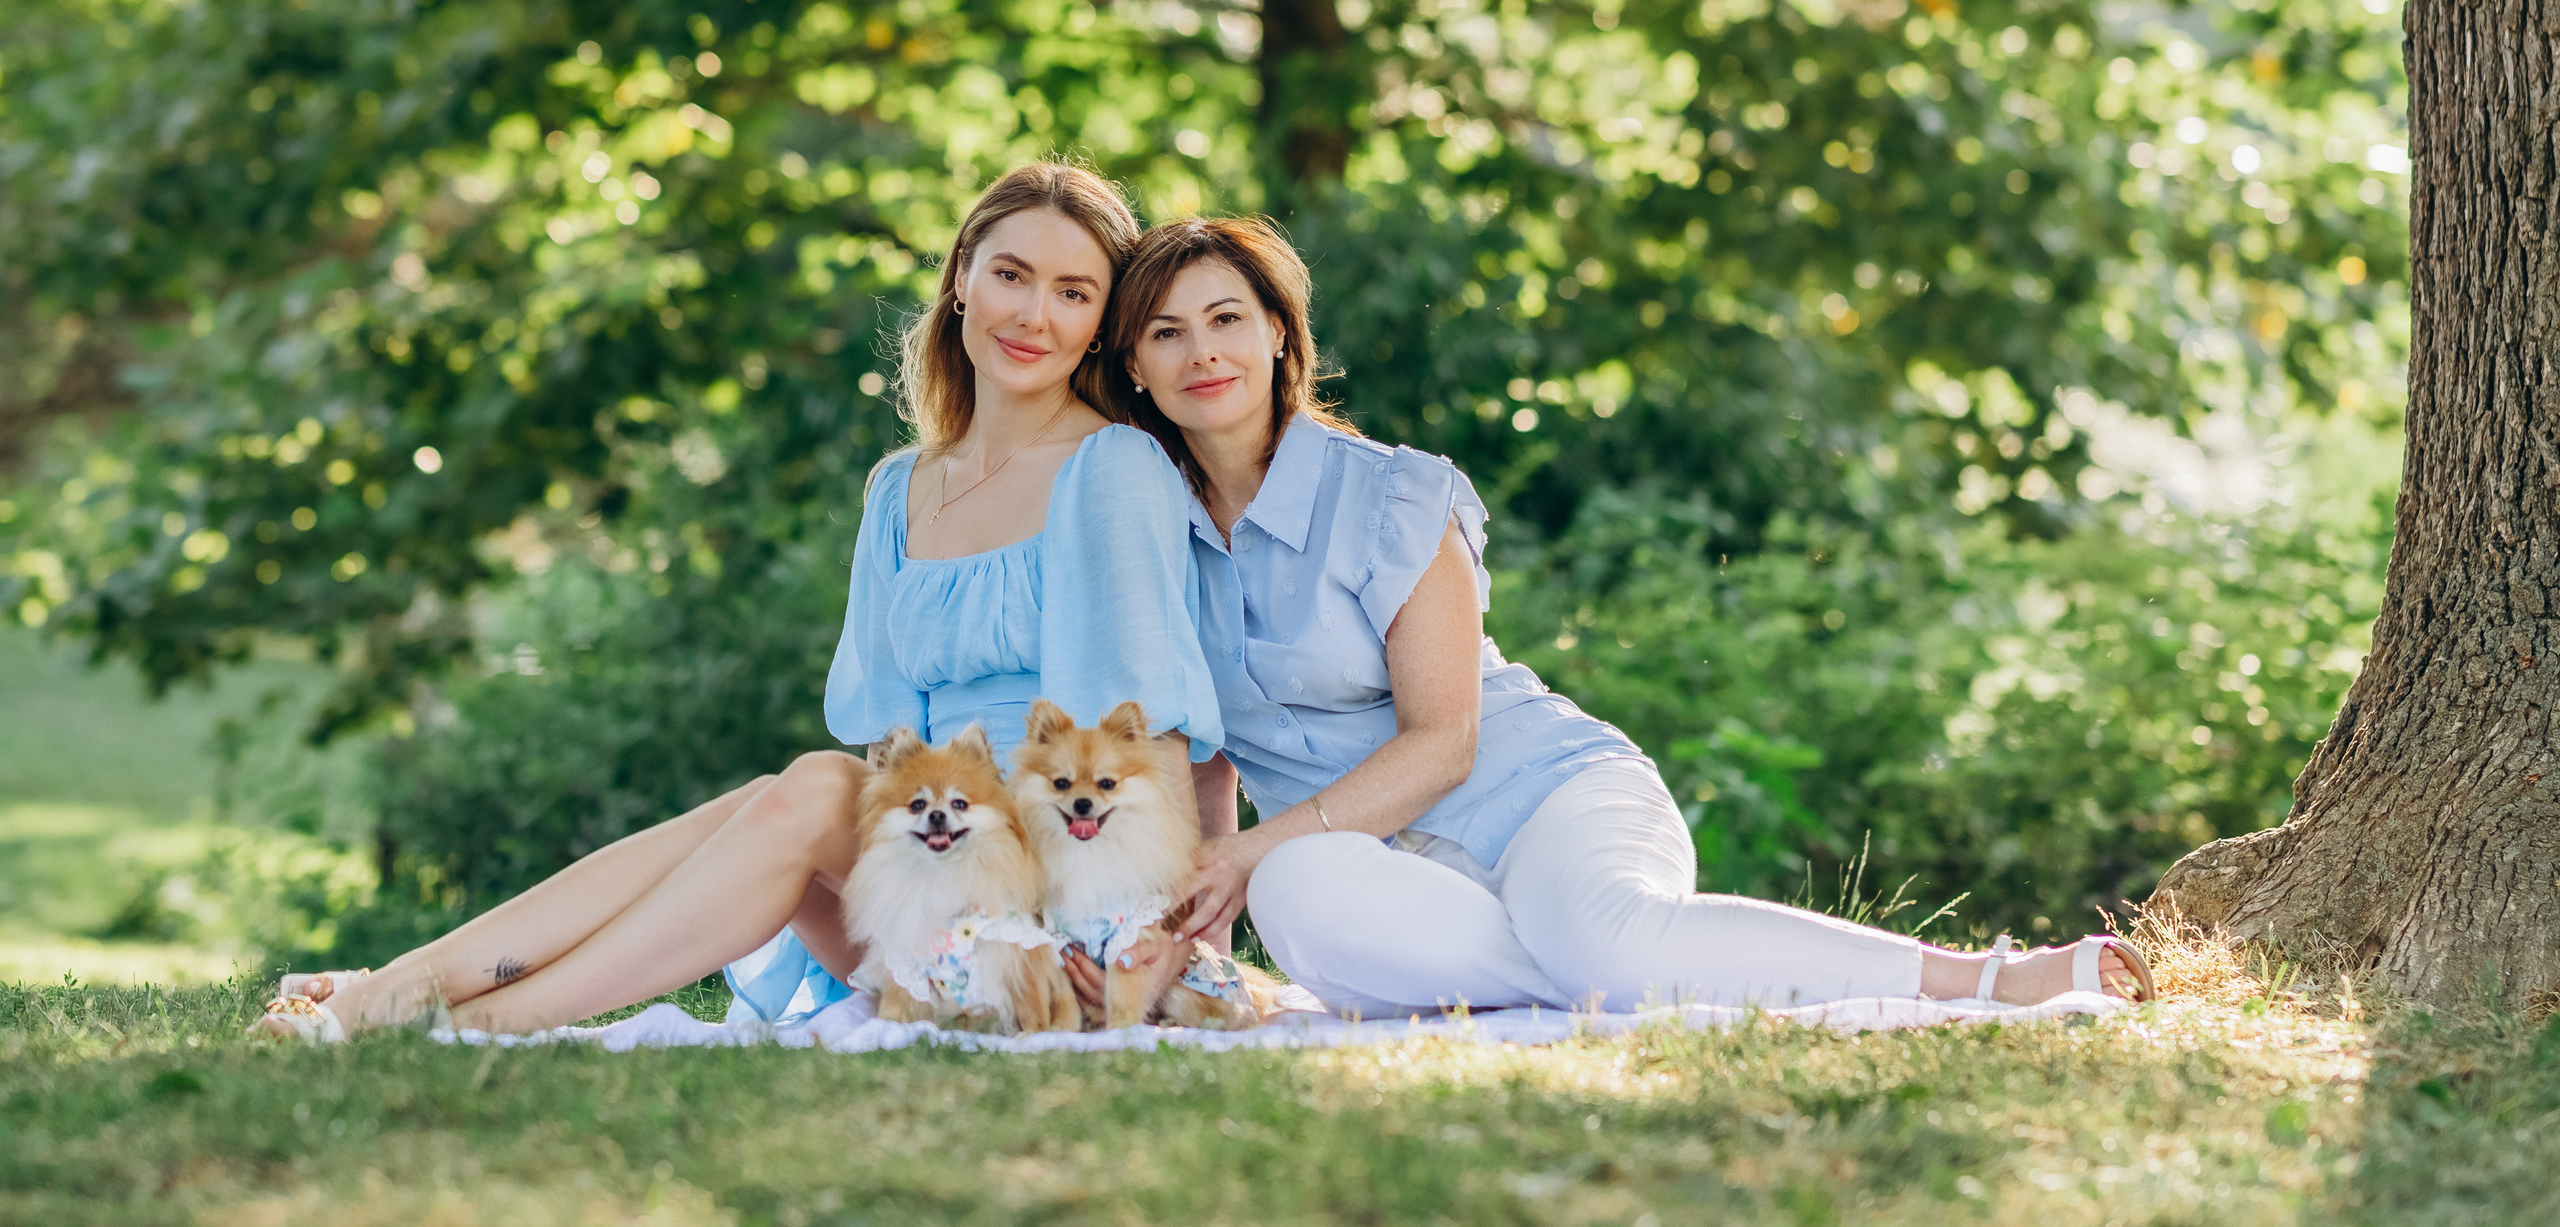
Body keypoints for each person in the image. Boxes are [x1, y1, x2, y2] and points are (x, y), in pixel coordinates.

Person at [254, 162, 1226, 1040]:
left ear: (1102, 322)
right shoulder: (903, 488)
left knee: (807, 787)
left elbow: (1156, 736)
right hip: (932, 876)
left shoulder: (1115, 467)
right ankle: (416, 984)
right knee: (789, 795)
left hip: (1058, 913)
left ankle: (467, 1017)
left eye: (1073, 292)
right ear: (961, 276)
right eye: (1011, 274)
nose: (1033, 315)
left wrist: (1168, 939)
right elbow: (891, 748)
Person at [1100, 217, 2153, 1018]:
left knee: (1595, 934)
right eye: (1166, 331)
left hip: (1545, 796)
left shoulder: (1391, 495)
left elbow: (1445, 741)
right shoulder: (1143, 536)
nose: (1204, 352)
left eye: (1227, 318)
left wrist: (1252, 848)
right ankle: (1607, 977)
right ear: (1138, 369)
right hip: (1383, 875)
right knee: (1297, 891)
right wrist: (1208, 914)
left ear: (1281, 334)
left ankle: (1980, 978)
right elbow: (1205, 753)